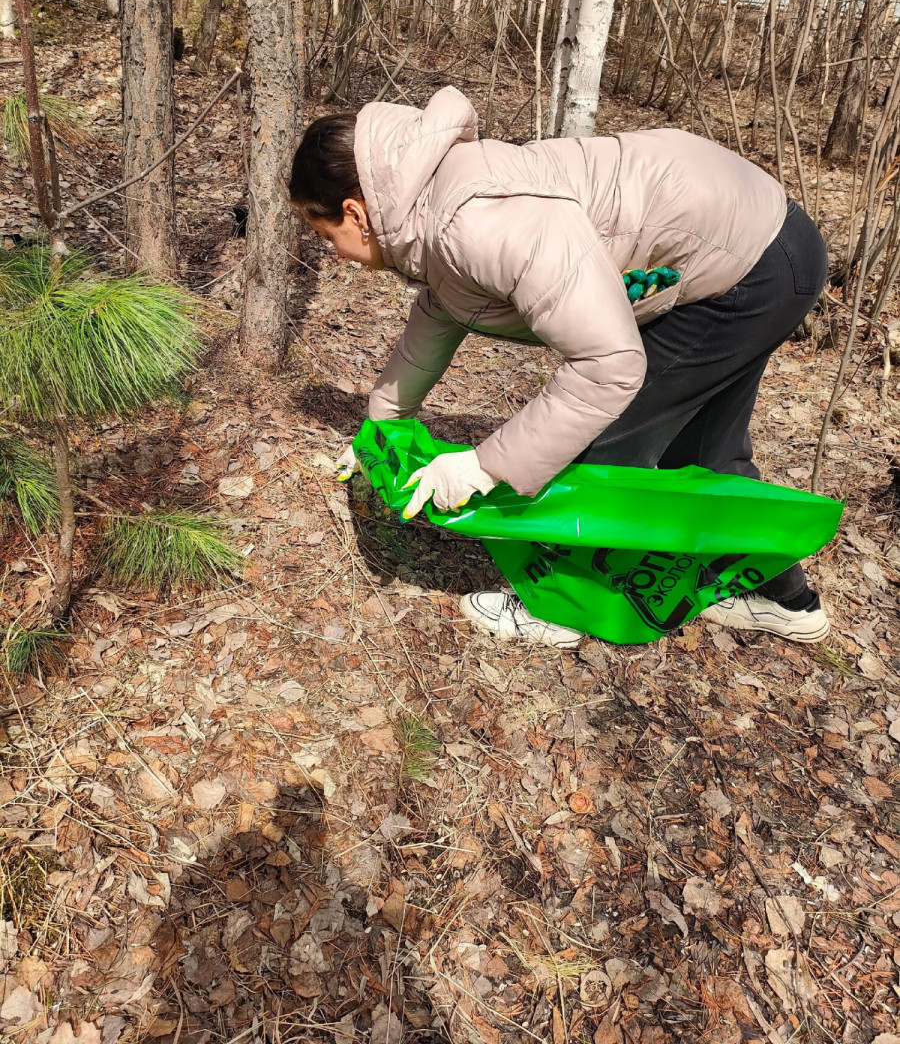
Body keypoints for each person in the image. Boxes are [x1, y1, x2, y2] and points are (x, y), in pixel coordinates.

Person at [289, 86, 830, 647]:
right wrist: (383, 423)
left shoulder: (474, 222)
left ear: (356, 212)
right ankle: (785, 598)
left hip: (751, 263)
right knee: (702, 452)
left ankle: (563, 608)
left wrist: (484, 466)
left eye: (327, 236)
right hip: (761, 243)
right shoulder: (427, 203)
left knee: (607, 445)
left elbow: (608, 366)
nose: (332, 251)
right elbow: (439, 314)